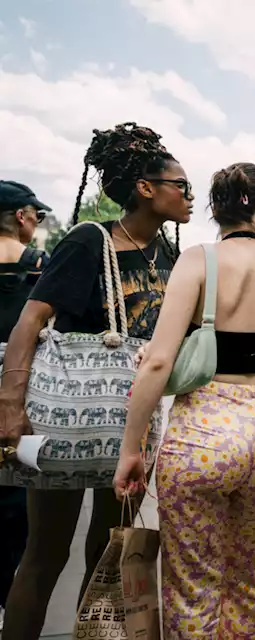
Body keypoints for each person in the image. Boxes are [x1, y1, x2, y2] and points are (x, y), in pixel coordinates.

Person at [0, 123, 189, 640]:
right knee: (46, 552)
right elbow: (30, 322)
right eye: (181, 184)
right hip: (70, 416)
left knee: (109, 551)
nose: (189, 197)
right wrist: (11, 405)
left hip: (130, 423)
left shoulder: (168, 256)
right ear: (147, 188)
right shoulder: (90, 240)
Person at [113, 162, 255, 638]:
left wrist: (131, 449)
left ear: (216, 212)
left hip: (204, 434)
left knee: (192, 582)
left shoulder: (198, 260)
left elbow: (158, 361)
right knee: (251, 575)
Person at [0, 181, 48, 631]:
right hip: (20, 395)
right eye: (37, 216)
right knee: (16, 501)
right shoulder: (39, 268)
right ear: (21, 215)